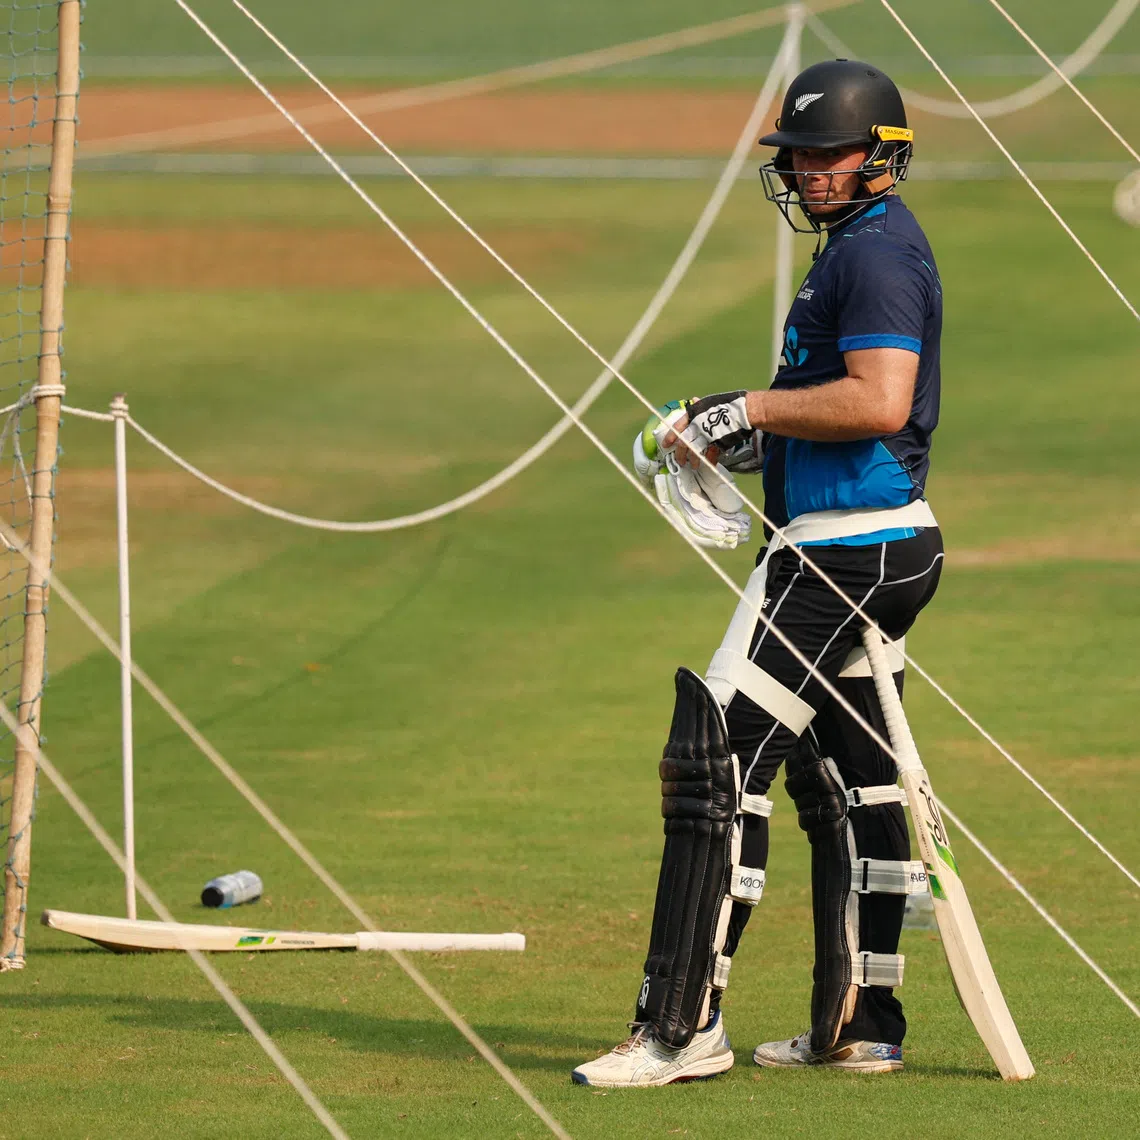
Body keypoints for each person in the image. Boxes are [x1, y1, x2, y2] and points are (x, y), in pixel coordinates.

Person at [572, 59, 945, 1088]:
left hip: (843, 555)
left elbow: (876, 401)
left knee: (718, 761)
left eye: (827, 154)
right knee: (855, 778)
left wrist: (747, 407)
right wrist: (731, 441)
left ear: (881, 157)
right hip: (872, 543)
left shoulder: (874, 257)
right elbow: (843, 412)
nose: (809, 172)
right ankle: (863, 1022)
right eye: (798, 156)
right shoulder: (858, 250)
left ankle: (680, 1025)